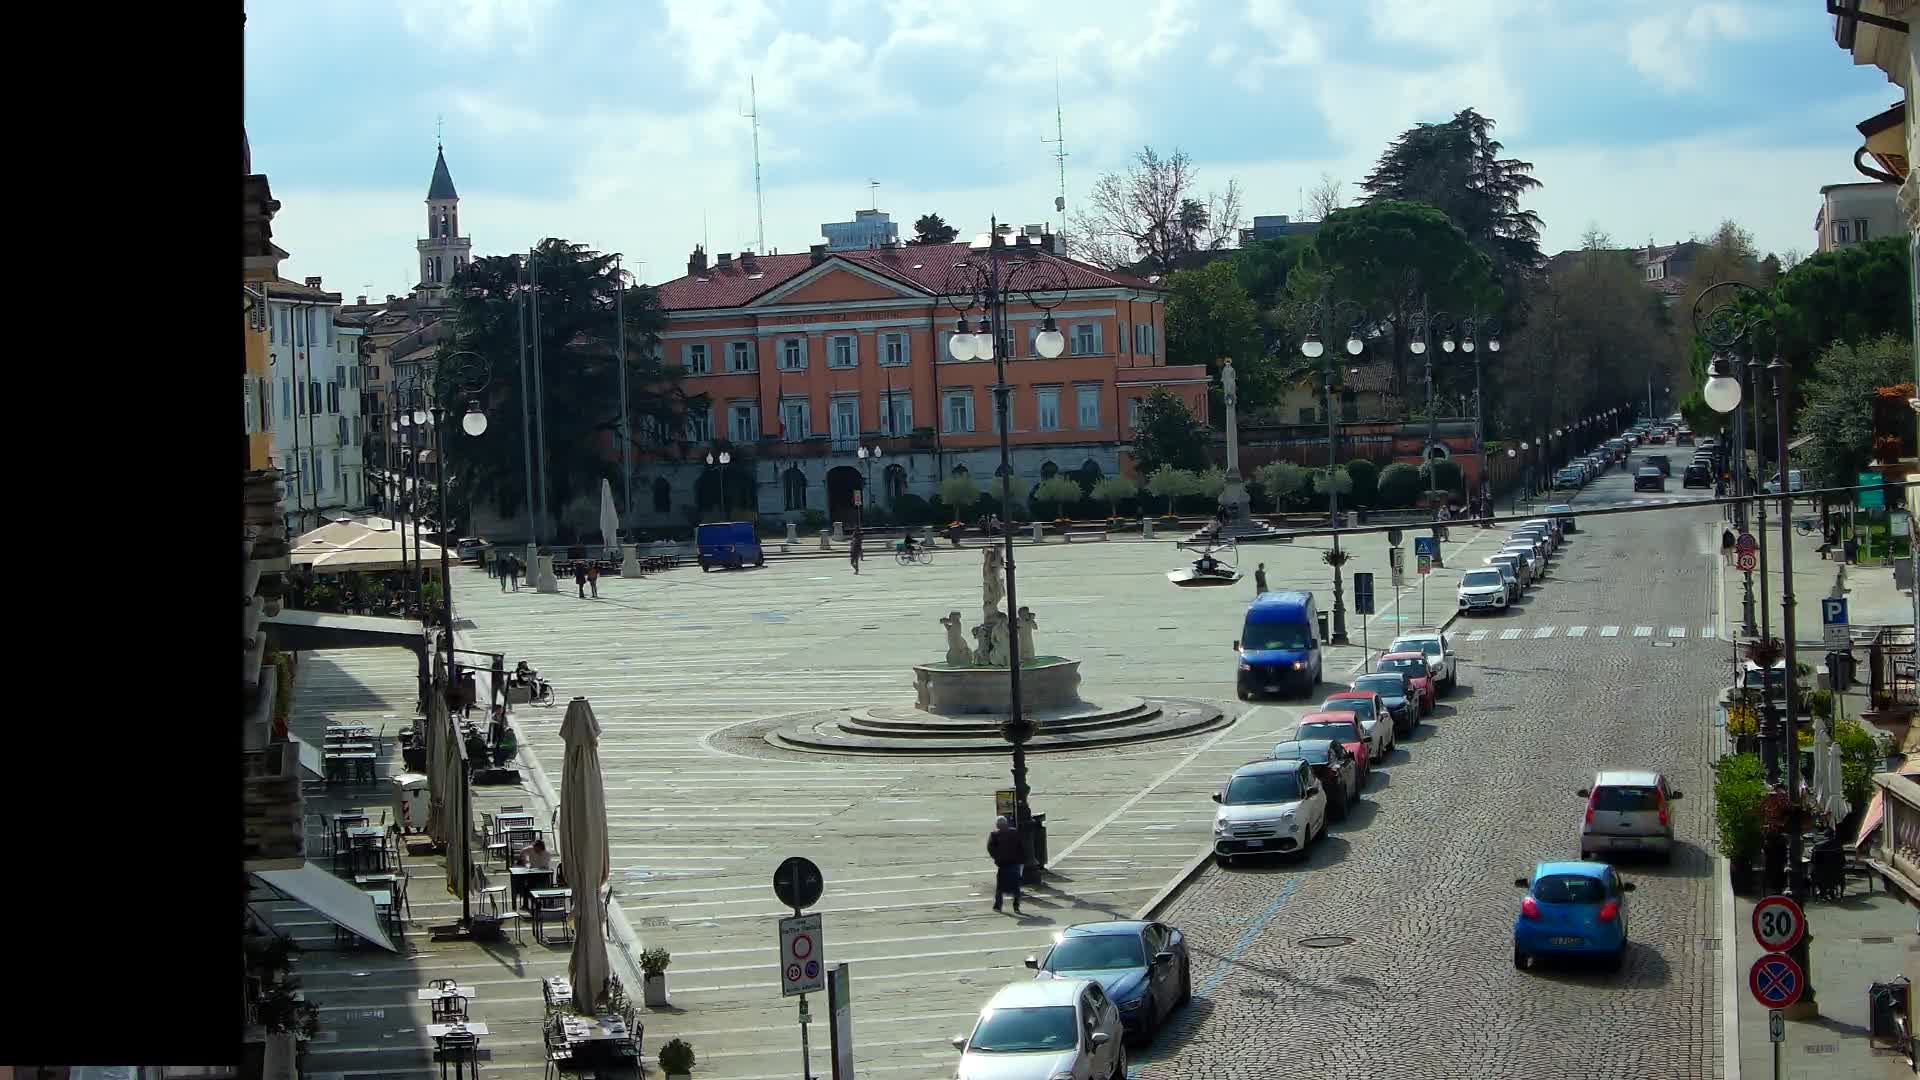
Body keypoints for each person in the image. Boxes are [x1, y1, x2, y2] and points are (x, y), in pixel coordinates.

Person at [987, 815, 1023, 913]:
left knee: (1000, 886)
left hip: (1003, 864)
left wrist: (997, 858)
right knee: (1016, 886)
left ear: (998, 825)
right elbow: (1021, 846)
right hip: (1015, 863)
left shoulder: (994, 835)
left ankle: (998, 906)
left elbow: (990, 848)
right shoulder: (1014, 832)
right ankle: (1016, 906)